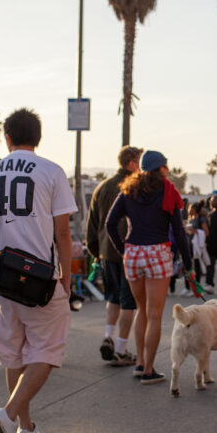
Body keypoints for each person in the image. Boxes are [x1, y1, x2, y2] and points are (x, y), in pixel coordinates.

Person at [0, 109, 77, 433]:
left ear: (6, 138)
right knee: (46, 351)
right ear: (39, 137)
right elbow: (62, 232)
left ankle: (25, 428)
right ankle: (9, 415)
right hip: (39, 277)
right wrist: (66, 276)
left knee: (14, 354)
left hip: (2, 279)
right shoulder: (51, 171)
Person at [106, 150, 192, 385]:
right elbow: (179, 232)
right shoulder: (168, 191)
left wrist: (123, 248)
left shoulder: (128, 190)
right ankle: (149, 371)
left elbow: (110, 223)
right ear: (161, 168)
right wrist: (188, 262)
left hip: (133, 253)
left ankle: (140, 363)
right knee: (154, 315)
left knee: (141, 310)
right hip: (157, 252)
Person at [85, 145, 141, 367]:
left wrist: (95, 251)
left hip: (106, 252)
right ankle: (120, 349)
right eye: (138, 161)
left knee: (112, 299)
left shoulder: (102, 187)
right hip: (129, 251)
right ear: (131, 163)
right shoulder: (135, 186)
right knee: (129, 303)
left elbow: (93, 223)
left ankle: (108, 335)